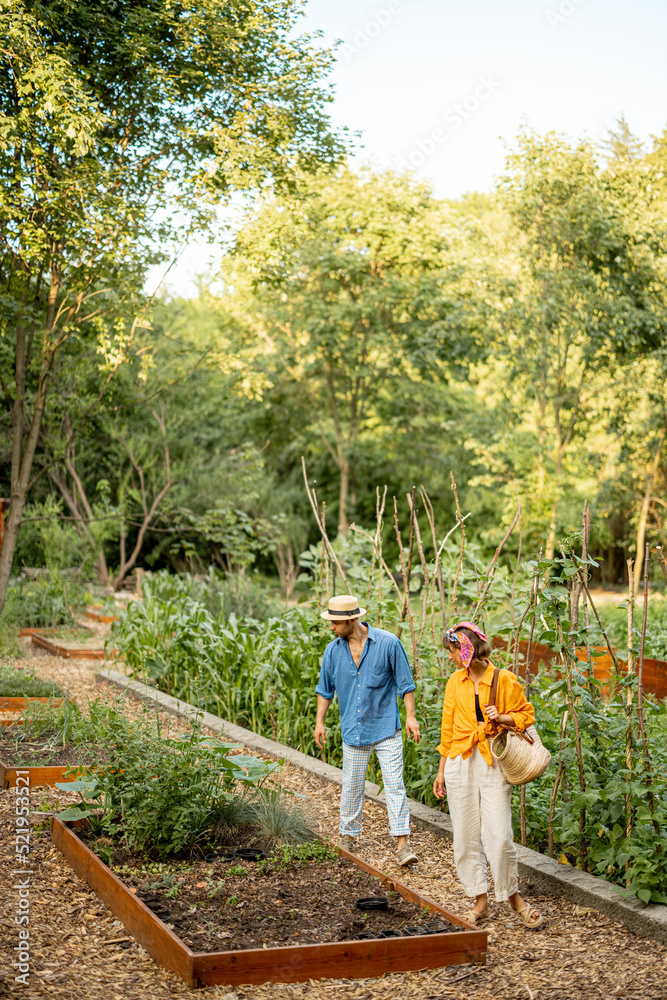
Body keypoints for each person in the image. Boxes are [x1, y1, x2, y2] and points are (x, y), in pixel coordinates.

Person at [432, 621, 545, 929]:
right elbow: (447, 728)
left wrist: (503, 716)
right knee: (465, 837)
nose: (451, 658)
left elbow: (526, 716)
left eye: (453, 652)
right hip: (459, 760)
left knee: (499, 836)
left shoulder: (504, 679)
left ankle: (513, 897)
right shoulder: (455, 681)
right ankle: (479, 902)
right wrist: (441, 770)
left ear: (467, 651)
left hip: (492, 760)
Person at [314, 594, 421, 866]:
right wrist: (319, 722)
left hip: (386, 728)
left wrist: (411, 717)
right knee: (352, 785)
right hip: (354, 730)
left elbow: (405, 684)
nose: (331, 628)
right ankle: (348, 837)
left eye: (336, 623)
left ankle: (402, 846)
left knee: (395, 786)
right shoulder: (332, 651)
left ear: (352, 620)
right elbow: (325, 690)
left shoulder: (388, 643)